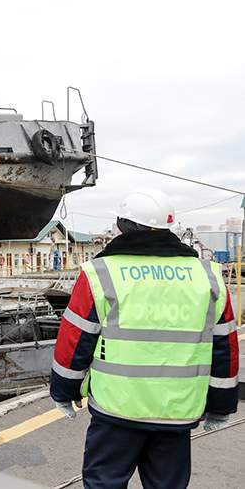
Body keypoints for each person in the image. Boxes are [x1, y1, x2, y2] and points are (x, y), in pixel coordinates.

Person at [50, 188, 238, 489]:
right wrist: (221, 405)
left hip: (116, 409)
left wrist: (63, 391)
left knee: (104, 484)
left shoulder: (101, 273)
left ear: (123, 225)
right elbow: (224, 349)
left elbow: (75, 341)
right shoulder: (208, 276)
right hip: (177, 410)